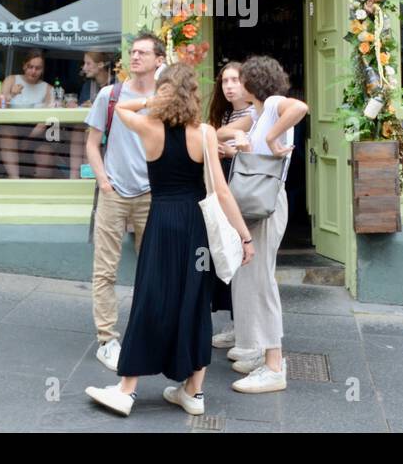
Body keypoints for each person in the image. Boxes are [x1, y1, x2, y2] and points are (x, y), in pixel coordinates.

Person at [85, 63, 255, 417]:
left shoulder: (147, 125)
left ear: (164, 92)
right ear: (194, 94)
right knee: (195, 301)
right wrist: (244, 236)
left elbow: (121, 109)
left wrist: (152, 98)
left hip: (161, 221)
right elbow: (221, 192)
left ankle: (126, 390)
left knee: (152, 297)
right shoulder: (206, 132)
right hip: (196, 226)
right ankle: (193, 393)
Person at [84, 32, 165, 370]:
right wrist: (103, 180)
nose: (135, 57)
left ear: (159, 60)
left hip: (151, 193)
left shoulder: (164, 98)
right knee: (105, 270)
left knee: (152, 269)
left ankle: (146, 332)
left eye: (143, 53)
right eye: (132, 52)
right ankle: (107, 339)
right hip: (114, 192)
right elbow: (92, 143)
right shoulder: (110, 94)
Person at [229, 55, 308, 393]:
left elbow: (300, 108)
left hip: (266, 204)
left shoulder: (274, 103)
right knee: (251, 278)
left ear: (253, 83)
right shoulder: (260, 113)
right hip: (260, 203)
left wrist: (274, 139)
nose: (237, 84)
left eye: (242, 78)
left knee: (261, 281)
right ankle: (260, 350)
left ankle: (274, 366)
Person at [206, 60, 255, 351]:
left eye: (235, 80)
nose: (229, 86)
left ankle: (244, 328)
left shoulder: (250, 114)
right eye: (224, 81)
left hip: (240, 192)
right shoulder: (226, 114)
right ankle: (237, 323)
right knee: (226, 253)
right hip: (225, 187)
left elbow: (212, 136)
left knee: (240, 256)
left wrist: (216, 143)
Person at [0, 50, 56, 178]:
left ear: (42, 70)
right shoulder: (11, 80)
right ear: (24, 66)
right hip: (12, 127)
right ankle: (15, 180)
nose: (33, 71)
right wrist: (12, 94)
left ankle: (37, 190)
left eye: (38, 68)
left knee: (46, 155)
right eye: (30, 67)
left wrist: (28, 139)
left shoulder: (48, 88)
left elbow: (47, 119)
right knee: (6, 133)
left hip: (37, 132)